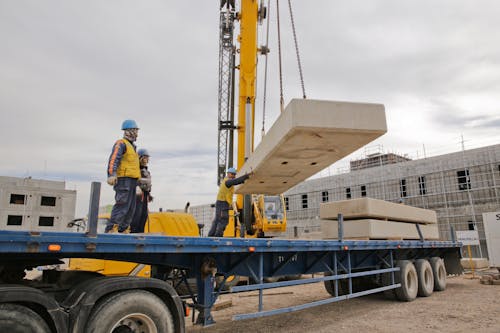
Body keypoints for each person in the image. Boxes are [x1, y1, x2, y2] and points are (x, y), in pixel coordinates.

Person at [105, 119, 140, 233]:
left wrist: (138, 184)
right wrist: (111, 174)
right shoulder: (121, 143)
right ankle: (112, 228)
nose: (136, 133)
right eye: (134, 130)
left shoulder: (133, 147)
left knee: (131, 208)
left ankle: (123, 228)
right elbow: (114, 159)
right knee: (122, 204)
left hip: (133, 180)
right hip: (124, 179)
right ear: (128, 131)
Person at [208, 167, 251, 237]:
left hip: (221, 203)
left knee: (217, 220)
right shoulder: (227, 182)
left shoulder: (227, 181)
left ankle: (211, 236)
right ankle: (218, 236)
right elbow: (236, 181)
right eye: (232, 174)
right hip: (222, 203)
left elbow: (236, 181)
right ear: (228, 174)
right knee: (223, 220)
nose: (233, 176)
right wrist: (246, 176)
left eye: (234, 174)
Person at [130, 148, 153, 233]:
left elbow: (148, 184)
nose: (146, 160)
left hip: (145, 196)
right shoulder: (135, 169)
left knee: (144, 217)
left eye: (147, 158)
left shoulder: (147, 171)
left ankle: (140, 234)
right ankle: (133, 233)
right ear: (139, 158)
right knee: (136, 216)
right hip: (137, 196)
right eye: (144, 158)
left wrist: (149, 195)